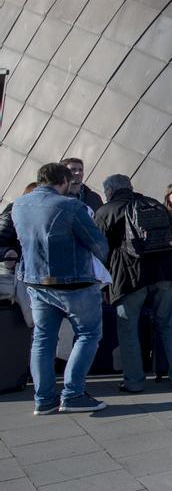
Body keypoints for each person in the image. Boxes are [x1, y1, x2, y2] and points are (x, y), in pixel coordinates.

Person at [12, 164, 110, 415]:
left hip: (36, 281)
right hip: (74, 283)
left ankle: (43, 399)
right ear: (64, 180)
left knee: (43, 340)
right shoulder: (71, 206)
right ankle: (73, 395)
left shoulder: (19, 205)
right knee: (88, 335)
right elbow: (98, 244)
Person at [94, 175, 172, 393]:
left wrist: (104, 286)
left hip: (128, 279)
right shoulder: (154, 204)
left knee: (128, 330)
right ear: (130, 187)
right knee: (168, 324)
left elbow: (98, 251)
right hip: (164, 275)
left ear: (109, 191)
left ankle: (134, 381)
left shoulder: (106, 211)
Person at [0, 183, 38, 327]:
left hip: (36, 278)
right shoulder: (12, 215)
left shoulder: (44, 219)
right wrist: (7, 253)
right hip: (16, 278)